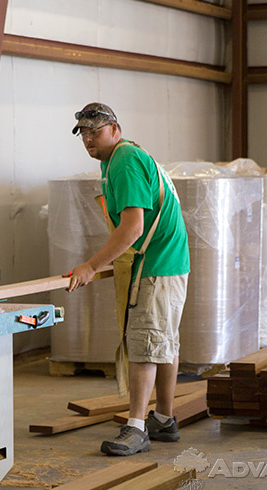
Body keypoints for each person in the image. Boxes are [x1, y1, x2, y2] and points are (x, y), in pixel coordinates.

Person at [67, 103, 190, 456]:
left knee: (145, 344)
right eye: (84, 134)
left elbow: (133, 227)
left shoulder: (123, 161)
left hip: (156, 264)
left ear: (115, 130)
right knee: (163, 341)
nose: (90, 139)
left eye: (96, 131)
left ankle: (137, 428)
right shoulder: (120, 159)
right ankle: (164, 420)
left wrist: (90, 266)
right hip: (167, 262)